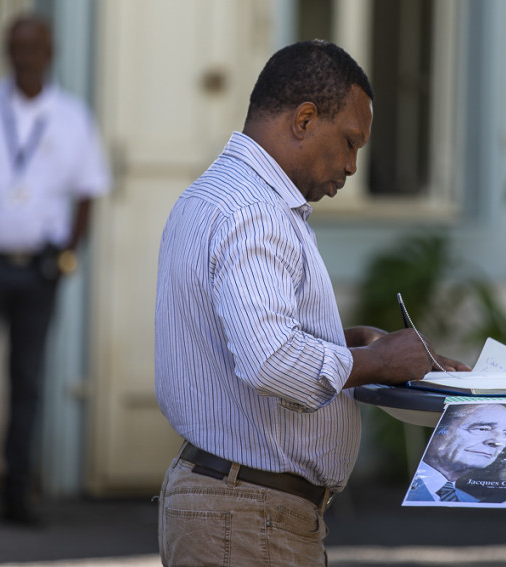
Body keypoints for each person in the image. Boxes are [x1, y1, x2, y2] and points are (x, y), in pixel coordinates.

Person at [155, 39, 469, 566]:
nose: (350, 166)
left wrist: (353, 343)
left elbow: (236, 336)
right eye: (348, 142)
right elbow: (270, 359)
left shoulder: (215, 194)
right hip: (250, 514)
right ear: (303, 120)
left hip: (240, 507)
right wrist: (381, 362)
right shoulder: (256, 212)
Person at [0, 15, 111, 525]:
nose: (25, 56)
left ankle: (15, 496)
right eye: (17, 47)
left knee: (26, 382)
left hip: (38, 271)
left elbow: (89, 192)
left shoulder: (73, 117)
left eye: (35, 47)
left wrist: (68, 255)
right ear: (8, 52)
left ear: (50, 53)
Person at [405, 403, 506, 503]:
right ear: (439, 430)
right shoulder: (397, 488)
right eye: (483, 429)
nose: (497, 442)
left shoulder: (472, 502)